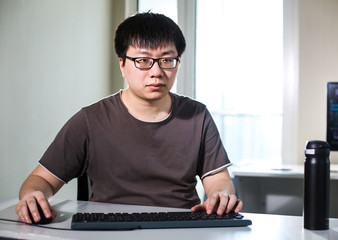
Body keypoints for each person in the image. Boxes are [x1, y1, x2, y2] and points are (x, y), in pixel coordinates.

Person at [15, 12, 243, 224]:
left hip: (181, 226)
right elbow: (42, 179)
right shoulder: (90, 120)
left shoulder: (197, 115)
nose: (156, 72)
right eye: (143, 61)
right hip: (108, 228)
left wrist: (221, 195)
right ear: (123, 64)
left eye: (167, 60)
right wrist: (33, 195)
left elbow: (217, 179)